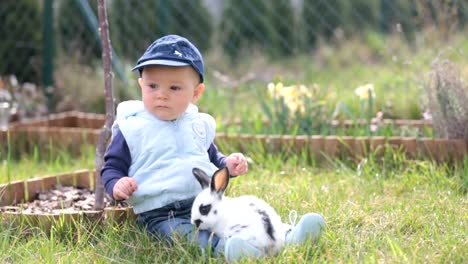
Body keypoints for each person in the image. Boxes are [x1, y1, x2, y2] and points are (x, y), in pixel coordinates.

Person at [101, 35, 325, 262]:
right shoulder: (133, 127)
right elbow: (112, 166)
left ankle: (287, 234)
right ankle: (229, 249)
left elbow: (211, 156)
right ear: (141, 85)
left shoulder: (197, 124)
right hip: (161, 214)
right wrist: (116, 184)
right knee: (186, 236)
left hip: (205, 202)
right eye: (152, 86)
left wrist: (227, 164)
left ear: (195, 94)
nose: (161, 94)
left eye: (174, 87)